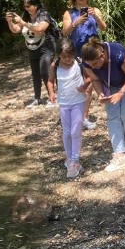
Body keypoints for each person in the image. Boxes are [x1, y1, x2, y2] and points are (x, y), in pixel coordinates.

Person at [81, 37, 125, 172]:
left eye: (95, 63)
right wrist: (100, 94)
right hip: (109, 83)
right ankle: (120, 153)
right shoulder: (87, 62)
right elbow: (95, 78)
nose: (92, 67)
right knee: (113, 116)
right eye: (89, 64)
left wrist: (121, 93)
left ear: (102, 55)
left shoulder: (118, 55)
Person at [62, 0, 107, 130]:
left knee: (90, 84)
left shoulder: (95, 10)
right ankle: (76, 115)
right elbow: (64, 32)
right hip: (77, 53)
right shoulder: (69, 13)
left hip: (93, 51)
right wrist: (75, 23)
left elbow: (103, 27)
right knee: (79, 84)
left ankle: (83, 118)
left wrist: (96, 17)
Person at [5, 0, 59, 108]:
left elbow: (40, 29)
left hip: (47, 46)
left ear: (36, 5)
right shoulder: (26, 16)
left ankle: (52, 97)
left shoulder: (44, 14)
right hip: (32, 48)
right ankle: (37, 98)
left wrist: (23, 23)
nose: (26, 8)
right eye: (25, 6)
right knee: (35, 74)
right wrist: (10, 22)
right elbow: (16, 30)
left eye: (29, 6)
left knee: (45, 72)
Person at [47, 39, 91, 178]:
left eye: (70, 56)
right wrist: (52, 93)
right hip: (64, 103)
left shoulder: (79, 63)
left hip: (78, 101)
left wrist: (84, 86)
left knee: (75, 132)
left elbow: (89, 78)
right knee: (66, 132)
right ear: (58, 55)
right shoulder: (55, 66)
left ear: (74, 53)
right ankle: (69, 158)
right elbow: (50, 81)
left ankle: (75, 160)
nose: (67, 59)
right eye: (64, 57)